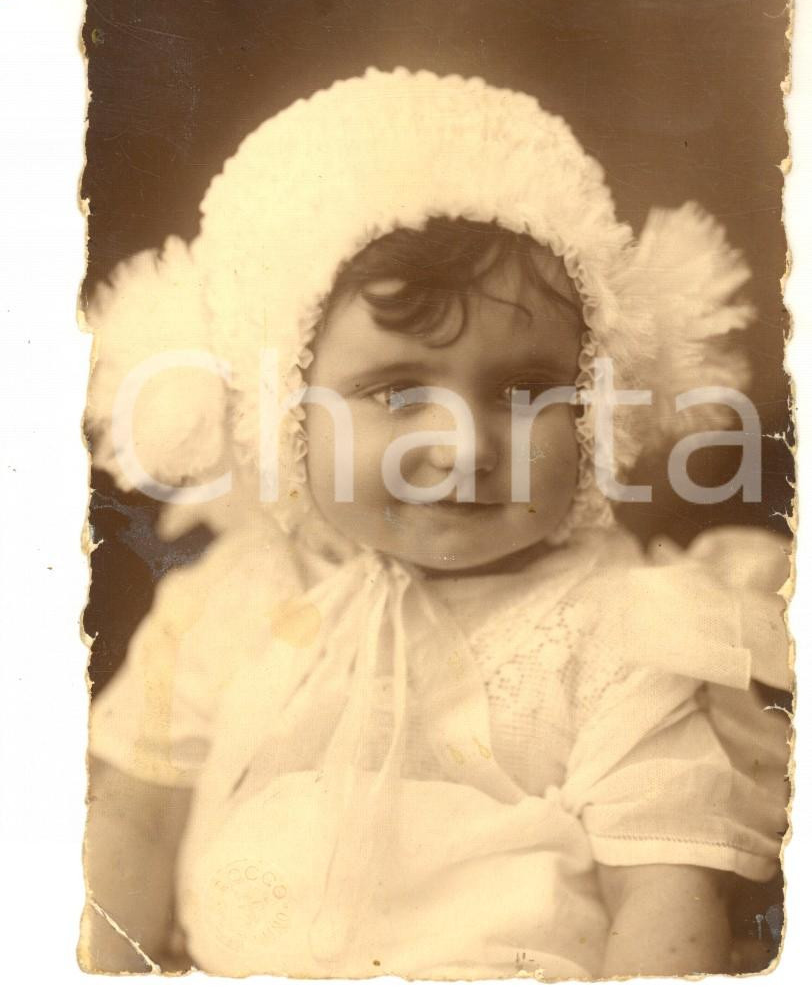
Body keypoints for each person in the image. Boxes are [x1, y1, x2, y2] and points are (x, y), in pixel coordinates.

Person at [82, 68, 791, 979]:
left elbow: (662, 900)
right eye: (396, 391)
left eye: (526, 391)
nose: (464, 446)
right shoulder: (230, 602)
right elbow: (137, 822)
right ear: (282, 409)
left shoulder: (627, 633)